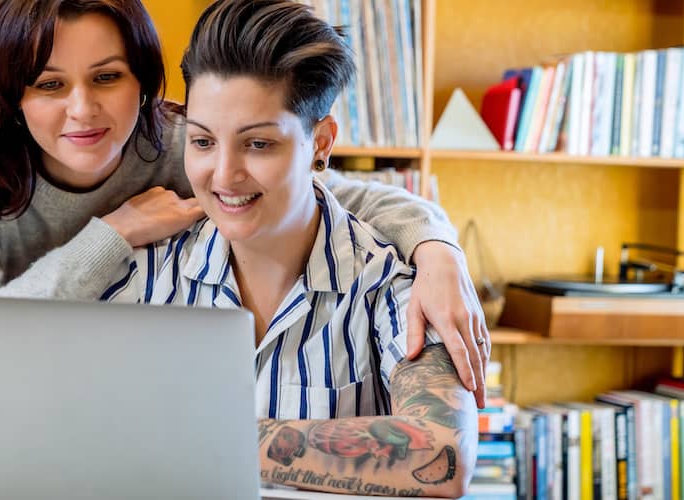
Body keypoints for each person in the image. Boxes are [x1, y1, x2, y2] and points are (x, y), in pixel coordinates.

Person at [0, 0, 489, 437]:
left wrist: (436, 249)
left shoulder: (178, 139)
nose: (83, 111)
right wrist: (115, 233)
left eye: (107, 77)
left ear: (145, 81)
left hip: (21, 359)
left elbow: (326, 187)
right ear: (13, 95)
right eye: (48, 83)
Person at [100, 0, 476, 495]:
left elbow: (440, 451)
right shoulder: (139, 277)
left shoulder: (395, 288)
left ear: (320, 144)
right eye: (203, 142)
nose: (224, 175)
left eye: (258, 144)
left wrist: (187, 440)